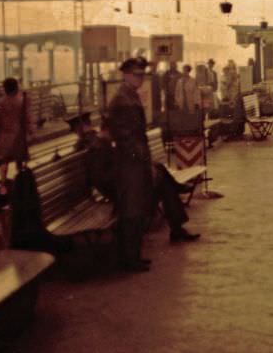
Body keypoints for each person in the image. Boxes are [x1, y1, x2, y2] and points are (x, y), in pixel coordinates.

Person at [68, 112, 200, 246]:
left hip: (123, 187)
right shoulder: (97, 146)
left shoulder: (101, 143)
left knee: (160, 179)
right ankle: (177, 228)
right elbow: (104, 177)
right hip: (119, 191)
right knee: (163, 183)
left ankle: (177, 228)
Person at [107, 57, 155, 272]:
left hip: (135, 163)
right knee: (131, 212)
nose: (140, 78)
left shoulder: (129, 95)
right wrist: (140, 157)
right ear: (125, 75)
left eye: (142, 74)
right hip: (129, 165)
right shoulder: (122, 99)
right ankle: (129, 259)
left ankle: (134, 255)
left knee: (136, 211)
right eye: (137, 74)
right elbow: (124, 135)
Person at [0, 77, 34, 195]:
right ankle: (22, 185)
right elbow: (27, 118)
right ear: (16, 87)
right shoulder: (22, 100)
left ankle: (3, 186)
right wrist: (31, 132)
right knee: (20, 160)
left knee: (4, 162)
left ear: (5, 88)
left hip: (3, 135)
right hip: (18, 134)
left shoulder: (0, 102)